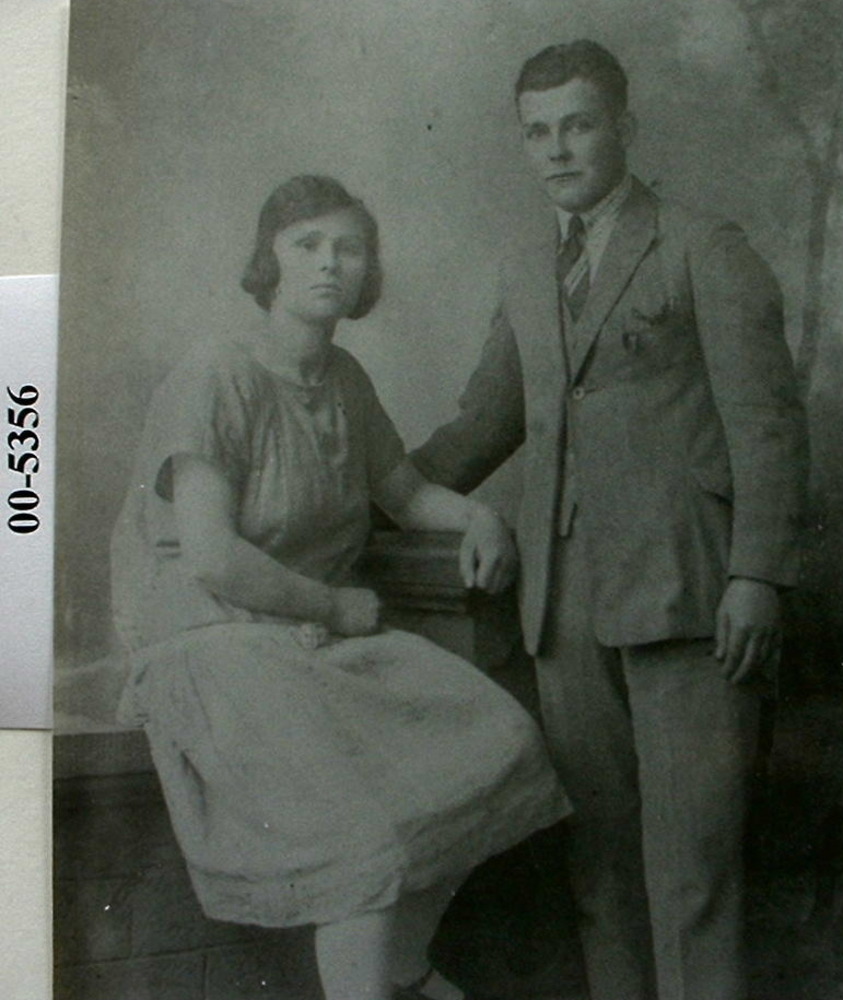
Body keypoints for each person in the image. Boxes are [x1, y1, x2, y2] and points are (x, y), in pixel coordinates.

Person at [412, 40, 809, 1000]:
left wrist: (757, 575)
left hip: (692, 599)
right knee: (598, 872)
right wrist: (371, 493)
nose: (556, 149)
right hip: (561, 609)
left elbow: (767, 426)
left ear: (623, 128)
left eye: (578, 125)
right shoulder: (525, 268)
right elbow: (483, 423)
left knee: (694, 875)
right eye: (537, 132)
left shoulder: (702, 246)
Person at [111, 174, 569, 1000]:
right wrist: (332, 606)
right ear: (269, 262)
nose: (330, 263)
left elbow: (403, 492)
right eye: (308, 245)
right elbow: (211, 557)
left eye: (349, 248)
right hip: (211, 643)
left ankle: (401, 968)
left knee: (504, 741)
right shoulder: (216, 373)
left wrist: (479, 519)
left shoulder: (345, 380)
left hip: (311, 644)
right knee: (366, 837)